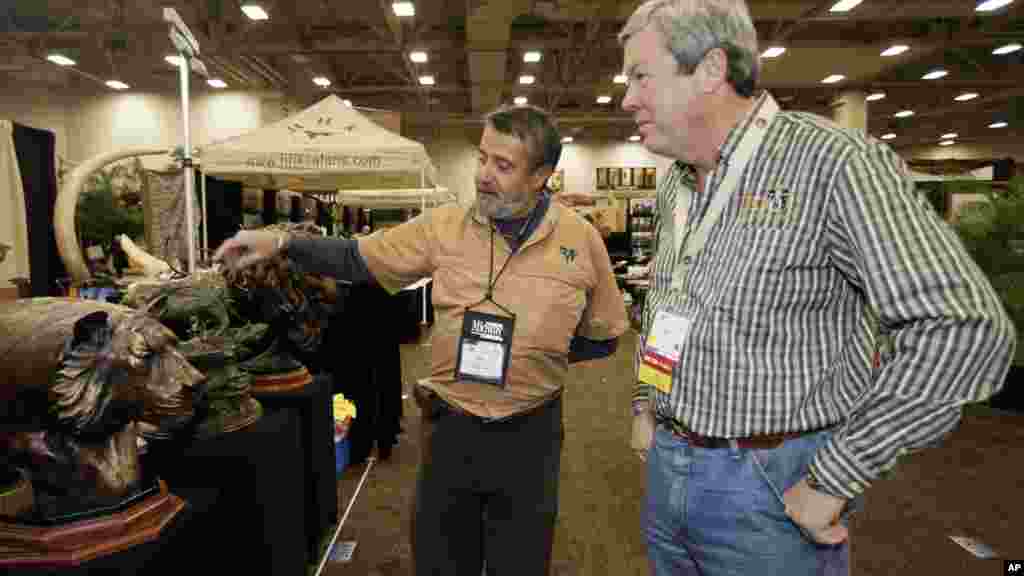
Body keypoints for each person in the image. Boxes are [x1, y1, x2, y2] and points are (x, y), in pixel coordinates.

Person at [617, 1, 1016, 575]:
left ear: (709, 69)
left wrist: (837, 476)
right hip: (668, 466)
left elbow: (964, 329)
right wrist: (645, 404)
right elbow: (670, 304)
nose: (628, 97)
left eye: (640, 76)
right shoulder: (676, 183)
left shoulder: (834, 164)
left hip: (769, 488)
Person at [214, 104, 629, 575]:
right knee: (440, 561)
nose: (484, 175)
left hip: (532, 435)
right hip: (452, 429)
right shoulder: (446, 226)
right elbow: (358, 257)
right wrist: (282, 242)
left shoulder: (582, 240)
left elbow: (605, 335)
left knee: (522, 562)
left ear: (541, 177)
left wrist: (539, 355)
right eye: (482, 158)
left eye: (503, 165)